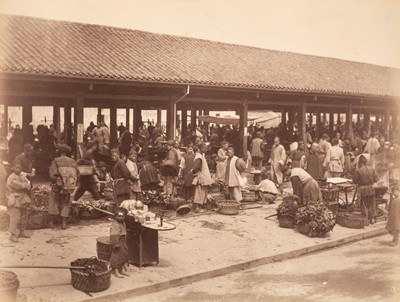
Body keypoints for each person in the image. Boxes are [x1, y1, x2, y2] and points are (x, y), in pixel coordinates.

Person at [48, 144, 77, 229]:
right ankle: (64, 224)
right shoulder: (72, 161)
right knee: (65, 203)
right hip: (68, 186)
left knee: (54, 202)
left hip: (57, 185)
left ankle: (51, 222)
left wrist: (57, 181)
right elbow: (77, 174)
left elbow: (52, 174)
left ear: (60, 151)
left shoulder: (56, 161)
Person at [7, 161, 32, 242]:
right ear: (12, 168)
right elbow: (19, 186)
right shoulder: (11, 177)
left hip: (23, 198)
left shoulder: (22, 176)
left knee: (24, 216)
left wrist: (26, 184)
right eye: (16, 167)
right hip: (15, 198)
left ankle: (22, 231)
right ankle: (13, 234)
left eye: (20, 168)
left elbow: (29, 185)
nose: (18, 169)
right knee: (15, 217)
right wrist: (25, 184)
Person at [353, 155, 378, 226]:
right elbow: (376, 179)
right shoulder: (372, 169)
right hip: (371, 189)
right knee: (371, 204)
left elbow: (354, 181)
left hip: (363, 190)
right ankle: (372, 219)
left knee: (364, 205)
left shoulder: (359, 171)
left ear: (360, 163)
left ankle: (366, 220)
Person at [191, 143, 213, 213]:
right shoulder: (198, 157)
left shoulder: (201, 155)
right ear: (200, 148)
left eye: (206, 148)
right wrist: (195, 172)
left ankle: (201, 206)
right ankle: (198, 208)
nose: (206, 149)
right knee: (199, 192)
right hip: (201, 177)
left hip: (204, 176)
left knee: (203, 192)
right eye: (204, 148)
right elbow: (196, 167)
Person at [110, 207, 130, 278]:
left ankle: (122, 270)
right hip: (118, 241)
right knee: (117, 256)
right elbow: (114, 234)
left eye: (122, 216)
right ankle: (116, 271)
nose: (121, 217)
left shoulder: (123, 223)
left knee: (124, 255)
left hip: (123, 240)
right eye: (119, 216)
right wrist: (116, 243)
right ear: (115, 216)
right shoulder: (115, 224)